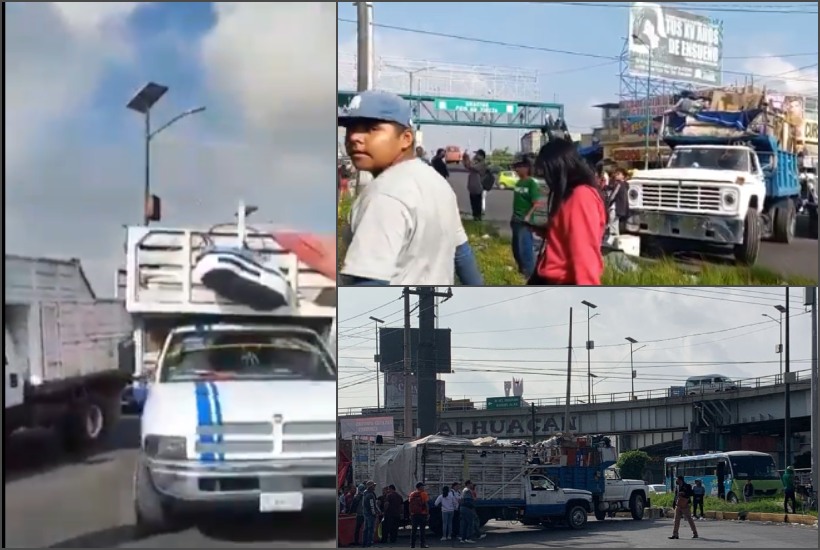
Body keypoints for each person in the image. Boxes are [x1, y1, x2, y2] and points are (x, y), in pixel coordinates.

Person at [339, 90, 483, 286]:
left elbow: (369, 285)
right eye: (351, 128)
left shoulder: (384, 195)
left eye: (371, 128)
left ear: (406, 138)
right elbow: (462, 254)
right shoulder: (437, 182)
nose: (355, 137)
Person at [528, 138, 607, 285]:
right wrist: (551, 231)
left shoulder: (581, 197)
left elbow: (584, 252)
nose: (546, 179)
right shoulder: (572, 195)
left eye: (547, 173)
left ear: (559, 168)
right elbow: (570, 237)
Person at [509, 153, 542, 277]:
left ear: (526, 168)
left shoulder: (531, 183)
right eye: (515, 167)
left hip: (524, 221)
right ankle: (521, 269)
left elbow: (536, 203)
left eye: (519, 167)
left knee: (525, 248)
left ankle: (529, 273)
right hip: (515, 219)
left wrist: (528, 216)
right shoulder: (518, 183)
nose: (516, 170)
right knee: (516, 248)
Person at [463, 149, 489, 221]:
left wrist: (468, 158)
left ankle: (478, 219)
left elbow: (471, 166)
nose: (476, 156)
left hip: (478, 188)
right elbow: (467, 166)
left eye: (477, 154)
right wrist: (464, 158)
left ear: (482, 156)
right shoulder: (476, 163)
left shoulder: (482, 164)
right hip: (472, 188)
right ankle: (475, 218)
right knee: (473, 205)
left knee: (477, 205)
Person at [669, 475, 698, 539]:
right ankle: (675, 534)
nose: (676, 481)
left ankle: (695, 533)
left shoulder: (687, 486)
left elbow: (691, 493)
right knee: (676, 520)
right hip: (678, 505)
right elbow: (676, 496)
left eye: (677, 479)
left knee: (689, 519)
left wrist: (684, 493)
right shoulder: (677, 487)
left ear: (680, 480)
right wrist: (674, 504)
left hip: (685, 505)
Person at [408, 481, 430, 548]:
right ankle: (422, 544)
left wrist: (410, 513)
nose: (423, 487)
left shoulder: (412, 494)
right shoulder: (424, 494)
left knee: (413, 530)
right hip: (422, 514)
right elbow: (426, 504)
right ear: (420, 487)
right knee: (422, 530)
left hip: (414, 514)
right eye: (422, 486)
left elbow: (410, 505)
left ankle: (412, 544)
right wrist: (428, 513)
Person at [361, 481, 379, 548]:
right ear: (370, 487)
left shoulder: (365, 494)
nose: (374, 487)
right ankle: (369, 543)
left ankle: (364, 543)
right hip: (370, 514)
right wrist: (374, 513)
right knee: (371, 529)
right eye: (373, 486)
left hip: (365, 513)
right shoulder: (370, 495)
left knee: (365, 529)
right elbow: (372, 506)